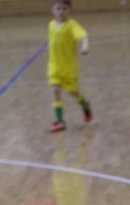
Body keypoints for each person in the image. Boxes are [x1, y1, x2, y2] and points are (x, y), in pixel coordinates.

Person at [47, 0, 92, 133]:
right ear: (53, 10)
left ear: (69, 10)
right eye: (58, 8)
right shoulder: (50, 25)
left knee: (73, 92)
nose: (61, 11)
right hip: (54, 65)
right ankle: (60, 121)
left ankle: (85, 105)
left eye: (64, 9)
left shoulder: (72, 25)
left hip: (69, 67)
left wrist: (85, 45)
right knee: (55, 90)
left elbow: (83, 35)